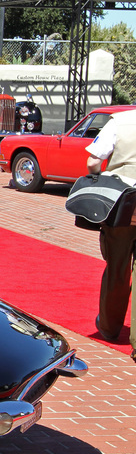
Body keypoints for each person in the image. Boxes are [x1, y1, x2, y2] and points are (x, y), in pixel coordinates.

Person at [86, 107, 136, 363]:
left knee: (117, 267)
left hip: (123, 202)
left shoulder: (121, 121)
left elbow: (93, 161)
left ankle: (109, 326)